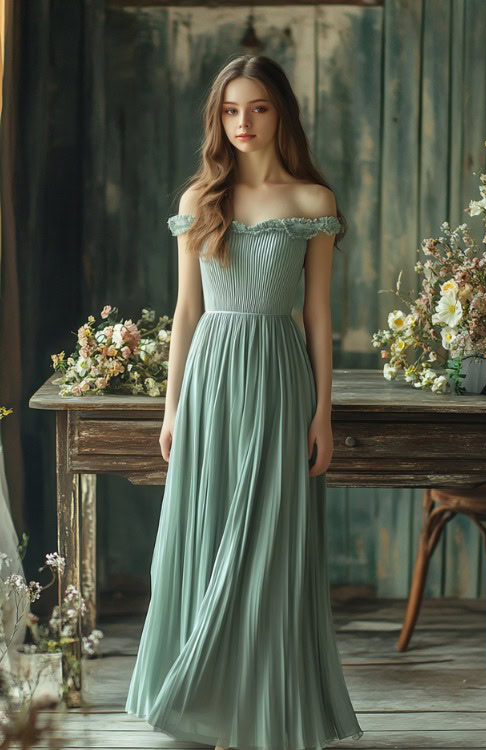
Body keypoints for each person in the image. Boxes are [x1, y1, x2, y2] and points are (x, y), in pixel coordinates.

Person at [125, 54, 364, 749]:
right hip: (211, 382)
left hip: (281, 379)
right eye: (230, 110)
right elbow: (186, 312)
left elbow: (319, 318)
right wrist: (171, 409)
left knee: (272, 543)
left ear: (280, 111)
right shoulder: (199, 201)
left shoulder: (312, 201)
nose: (242, 123)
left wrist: (323, 412)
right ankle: (204, 695)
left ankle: (265, 703)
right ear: (216, 117)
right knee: (204, 535)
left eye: (257, 108)